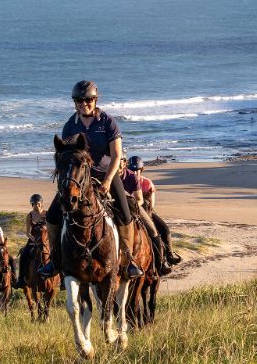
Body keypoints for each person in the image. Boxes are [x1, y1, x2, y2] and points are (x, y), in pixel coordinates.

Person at [39, 80, 143, 279]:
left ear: (95, 100)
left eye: (88, 100)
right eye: (79, 100)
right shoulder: (70, 126)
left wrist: (106, 181)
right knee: (52, 215)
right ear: (75, 102)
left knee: (125, 211)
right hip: (78, 179)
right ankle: (55, 260)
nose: (83, 103)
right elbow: (66, 156)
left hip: (105, 176)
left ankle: (128, 259)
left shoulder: (108, 123)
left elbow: (116, 155)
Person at [119, 157, 171, 276]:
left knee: (155, 230)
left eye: (120, 162)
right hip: (115, 207)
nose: (136, 172)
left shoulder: (135, 178)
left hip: (137, 208)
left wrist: (128, 207)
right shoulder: (109, 175)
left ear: (124, 163)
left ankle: (160, 263)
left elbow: (142, 201)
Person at [128, 155, 182, 266]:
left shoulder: (147, 183)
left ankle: (168, 256)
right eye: (132, 170)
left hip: (147, 211)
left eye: (137, 170)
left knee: (165, 230)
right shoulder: (126, 181)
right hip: (131, 211)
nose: (135, 173)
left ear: (141, 170)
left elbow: (152, 205)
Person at [13, 194, 47, 289]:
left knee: (58, 253)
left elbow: (51, 230)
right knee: (23, 255)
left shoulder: (47, 214)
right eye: (34, 204)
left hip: (46, 241)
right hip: (33, 241)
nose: (37, 205)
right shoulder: (30, 215)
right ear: (32, 205)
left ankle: (62, 279)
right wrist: (34, 240)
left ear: (41, 203)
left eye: (38, 203)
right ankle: (21, 280)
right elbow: (28, 233)